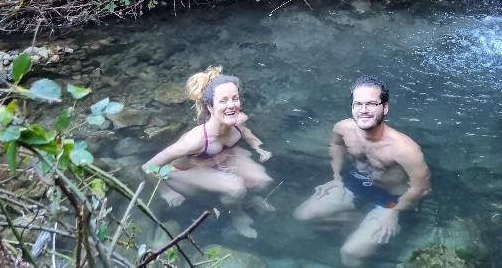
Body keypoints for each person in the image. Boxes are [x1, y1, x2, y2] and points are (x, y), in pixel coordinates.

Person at [294, 75, 431, 266]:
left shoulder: (405, 149)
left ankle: (371, 232)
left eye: (371, 104)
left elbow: (422, 189)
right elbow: (335, 146)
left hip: (392, 200)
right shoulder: (343, 128)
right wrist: (336, 178)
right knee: (302, 215)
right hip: (357, 183)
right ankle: (356, 220)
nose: (363, 110)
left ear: (385, 107)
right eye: (358, 104)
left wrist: (394, 212)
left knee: (349, 253)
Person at [143, 66, 273, 238]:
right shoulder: (195, 140)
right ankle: (238, 215)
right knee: (235, 187)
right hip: (188, 169)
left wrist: (257, 146)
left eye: (235, 99)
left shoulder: (239, 120)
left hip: (223, 157)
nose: (232, 105)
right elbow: (148, 166)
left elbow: (247, 132)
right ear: (210, 106)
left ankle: (249, 201)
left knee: (263, 180)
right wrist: (166, 192)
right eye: (223, 100)